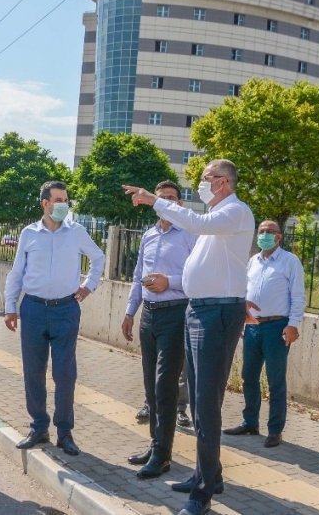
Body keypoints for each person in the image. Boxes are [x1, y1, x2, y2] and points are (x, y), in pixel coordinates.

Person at [124, 159, 255, 515]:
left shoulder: (235, 211)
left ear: (223, 182)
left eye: (206, 178)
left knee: (207, 404)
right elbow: (219, 266)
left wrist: (156, 200)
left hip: (216, 313)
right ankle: (210, 475)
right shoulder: (215, 220)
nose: (201, 183)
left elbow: (197, 223)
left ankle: (202, 494)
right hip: (199, 311)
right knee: (198, 402)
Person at [4, 180, 105, 457]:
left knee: (65, 373)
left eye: (66, 200)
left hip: (65, 310)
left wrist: (89, 285)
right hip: (33, 309)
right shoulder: (29, 233)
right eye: (59, 199)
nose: (64, 205)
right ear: (45, 203)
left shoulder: (76, 232)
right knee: (33, 372)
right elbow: (17, 272)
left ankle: (64, 432)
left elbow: (98, 257)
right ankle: (38, 427)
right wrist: (10, 306)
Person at [122, 180, 198, 479]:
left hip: (176, 314)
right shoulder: (149, 236)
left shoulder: (190, 234)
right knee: (150, 388)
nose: (165, 201)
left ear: (179, 204)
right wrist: (130, 312)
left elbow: (196, 275)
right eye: (161, 197)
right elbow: (138, 274)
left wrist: (171, 281)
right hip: (149, 316)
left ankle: (163, 456)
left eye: (170, 198)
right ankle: (156, 447)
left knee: (165, 387)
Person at [223, 220, 305, 448]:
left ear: (279, 237)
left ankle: (275, 430)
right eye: (262, 232)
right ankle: (250, 422)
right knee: (249, 376)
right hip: (252, 327)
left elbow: (298, 296)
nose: (265, 235)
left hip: (277, 328)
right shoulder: (253, 261)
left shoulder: (290, 261)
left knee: (275, 380)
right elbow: (245, 292)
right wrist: (242, 320)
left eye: (270, 232)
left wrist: (293, 324)